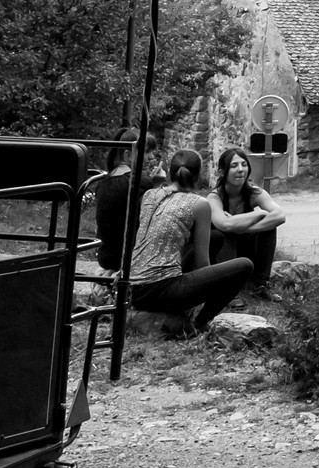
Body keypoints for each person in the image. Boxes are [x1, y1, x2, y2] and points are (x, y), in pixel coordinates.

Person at [129, 149, 252, 332]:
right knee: (245, 266)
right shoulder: (199, 204)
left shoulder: (149, 195)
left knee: (216, 238)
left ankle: (188, 314)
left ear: (171, 172)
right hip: (161, 289)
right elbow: (203, 262)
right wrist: (214, 284)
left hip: (133, 289)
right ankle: (198, 322)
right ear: (198, 175)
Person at [208, 147, 286, 292]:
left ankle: (261, 285)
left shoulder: (254, 192)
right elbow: (224, 224)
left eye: (244, 165)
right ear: (222, 172)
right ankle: (229, 289)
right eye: (234, 165)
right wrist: (258, 214)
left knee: (269, 228)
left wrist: (244, 228)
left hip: (246, 248)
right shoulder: (214, 198)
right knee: (222, 233)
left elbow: (280, 215)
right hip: (222, 256)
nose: (240, 170)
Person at [93, 126, 158, 274]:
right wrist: (158, 185)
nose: (151, 158)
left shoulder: (103, 183)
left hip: (107, 257)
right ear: (128, 156)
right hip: (129, 259)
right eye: (147, 152)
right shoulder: (138, 183)